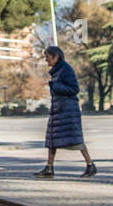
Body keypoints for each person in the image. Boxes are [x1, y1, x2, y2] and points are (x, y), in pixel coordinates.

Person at [35, 45, 96, 178]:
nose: (46, 60)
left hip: (68, 111)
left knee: (75, 138)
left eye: (48, 57)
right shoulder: (57, 70)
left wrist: (55, 86)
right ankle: (49, 168)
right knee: (52, 139)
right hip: (58, 110)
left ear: (56, 56)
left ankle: (90, 165)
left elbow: (74, 89)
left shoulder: (65, 69)